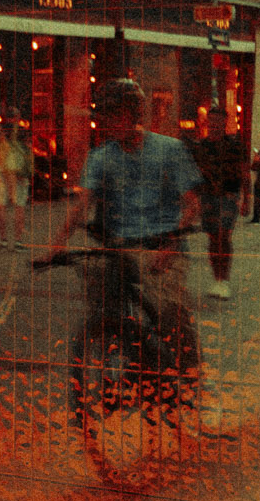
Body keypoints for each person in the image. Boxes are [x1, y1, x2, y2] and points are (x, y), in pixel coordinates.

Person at [44, 77, 201, 366]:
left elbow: (192, 205)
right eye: (105, 115)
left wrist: (170, 246)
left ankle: (191, 370)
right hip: (118, 247)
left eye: (115, 114)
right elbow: (81, 206)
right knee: (100, 296)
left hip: (160, 246)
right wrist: (56, 245)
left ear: (134, 114)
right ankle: (116, 351)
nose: (108, 123)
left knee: (169, 311)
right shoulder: (100, 157)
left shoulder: (169, 150)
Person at [193, 106, 249, 298]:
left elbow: (244, 173)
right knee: (212, 237)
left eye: (218, 121)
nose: (214, 125)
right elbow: (195, 174)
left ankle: (224, 280)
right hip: (208, 196)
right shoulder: (201, 147)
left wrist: (247, 199)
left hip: (229, 195)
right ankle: (216, 278)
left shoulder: (235, 146)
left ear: (224, 122)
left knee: (223, 235)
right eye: (211, 121)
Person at [0, 111, 31, 249]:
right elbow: (28, 151)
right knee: (19, 207)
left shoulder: (1, 133)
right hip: (19, 172)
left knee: (1, 205)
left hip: (3, 171)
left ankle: (3, 239)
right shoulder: (22, 132)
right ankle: (17, 241)